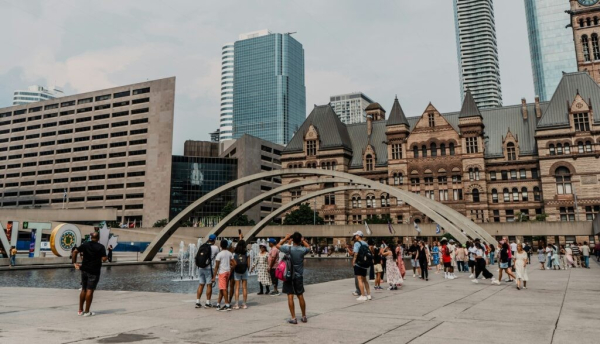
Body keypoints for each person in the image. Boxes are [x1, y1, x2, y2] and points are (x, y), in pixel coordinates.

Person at [276, 232, 311, 324]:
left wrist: (285, 238)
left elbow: (277, 245)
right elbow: (309, 247)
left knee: (290, 296)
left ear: (292, 239)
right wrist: (303, 241)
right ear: (300, 240)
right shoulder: (303, 250)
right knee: (300, 296)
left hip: (289, 276)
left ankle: (293, 318)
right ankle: (304, 316)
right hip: (299, 276)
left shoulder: (288, 249)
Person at [72, 232, 107, 316]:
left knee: (83, 289)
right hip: (94, 271)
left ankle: (80, 310)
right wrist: (105, 258)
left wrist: (74, 263)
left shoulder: (85, 244)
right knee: (90, 290)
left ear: (91, 238)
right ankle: (87, 311)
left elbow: (75, 251)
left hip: (84, 270)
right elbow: (104, 259)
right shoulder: (101, 247)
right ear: (98, 239)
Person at [195, 234, 219, 309]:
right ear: (214, 240)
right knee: (209, 285)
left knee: (201, 284)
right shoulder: (215, 247)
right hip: (208, 268)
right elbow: (218, 258)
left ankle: (197, 302)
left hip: (200, 267)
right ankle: (208, 302)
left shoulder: (202, 246)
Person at [211, 239, 234, 311]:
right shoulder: (230, 253)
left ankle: (227, 305)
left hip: (222, 273)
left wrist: (214, 277)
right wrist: (231, 268)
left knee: (224, 289)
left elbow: (216, 266)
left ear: (220, 245)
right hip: (228, 272)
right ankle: (218, 304)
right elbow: (234, 263)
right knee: (222, 288)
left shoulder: (219, 254)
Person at [352, 231, 372, 301]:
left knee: (359, 279)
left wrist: (353, 261)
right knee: (365, 280)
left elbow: (356, 253)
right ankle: (369, 295)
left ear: (358, 236)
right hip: (365, 264)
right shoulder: (365, 243)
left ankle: (363, 295)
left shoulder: (357, 243)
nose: (355, 237)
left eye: (355, 235)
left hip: (359, 263)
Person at [232, 240, 249, 309]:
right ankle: (244, 304)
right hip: (244, 271)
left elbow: (233, 264)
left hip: (237, 271)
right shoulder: (246, 253)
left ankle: (236, 304)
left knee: (237, 288)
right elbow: (248, 264)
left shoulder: (235, 254)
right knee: (244, 288)